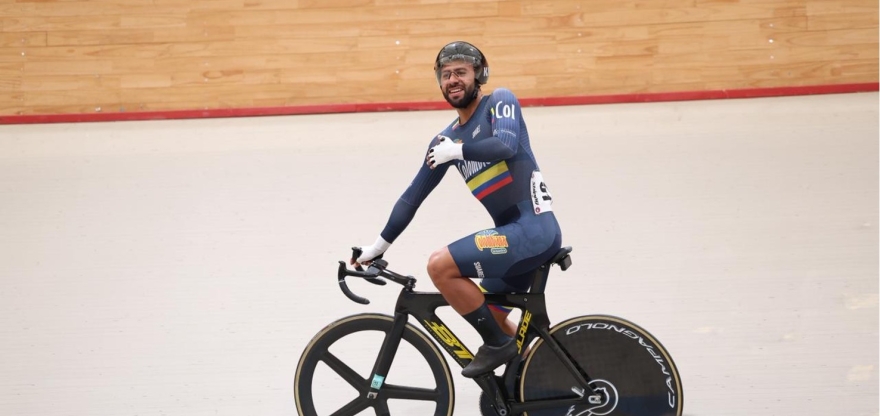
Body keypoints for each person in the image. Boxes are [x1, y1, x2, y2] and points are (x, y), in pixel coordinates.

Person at [352, 41, 562, 378]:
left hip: (533, 231)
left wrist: (458, 152)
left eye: (461, 72)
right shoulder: (444, 141)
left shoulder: (499, 102)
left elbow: (505, 145)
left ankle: (498, 346)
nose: (453, 80)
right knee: (492, 315)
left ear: (479, 76)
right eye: (446, 74)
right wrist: (377, 247)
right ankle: (541, 381)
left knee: (440, 266)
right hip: (513, 240)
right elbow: (412, 197)